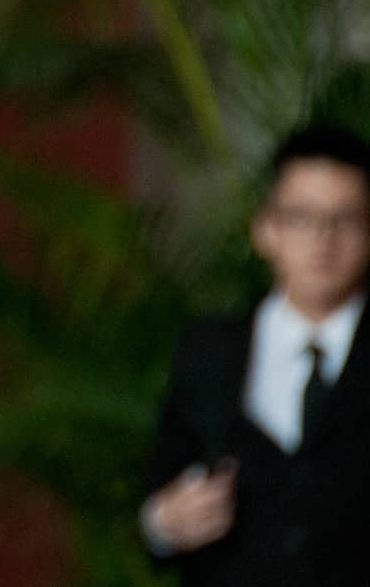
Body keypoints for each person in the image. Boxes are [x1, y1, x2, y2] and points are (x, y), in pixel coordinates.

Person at [140, 123, 370, 586]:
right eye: (302, 217)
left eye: (345, 219)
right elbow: (156, 499)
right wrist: (166, 523)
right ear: (266, 228)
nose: (323, 240)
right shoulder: (208, 351)